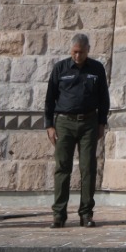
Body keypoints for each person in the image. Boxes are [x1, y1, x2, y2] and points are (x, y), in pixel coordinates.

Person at [44, 33, 110, 228]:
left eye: (81, 52)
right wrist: (49, 125)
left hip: (89, 122)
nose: (77, 56)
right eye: (74, 52)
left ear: (88, 50)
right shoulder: (60, 68)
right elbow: (50, 98)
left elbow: (103, 98)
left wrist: (101, 123)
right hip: (64, 122)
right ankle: (59, 214)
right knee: (62, 168)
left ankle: (86, 213)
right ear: (70, 50)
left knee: (88, 168)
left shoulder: (97, 69)